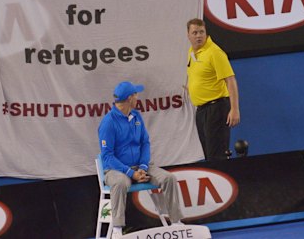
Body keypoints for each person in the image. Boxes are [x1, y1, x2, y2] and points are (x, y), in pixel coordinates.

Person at [99, 81, 186, 239]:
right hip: (116, 169)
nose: (138, 97)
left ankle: (176, 222)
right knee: (120, 183)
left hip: (141, 166)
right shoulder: (108, 123)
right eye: (136, 94)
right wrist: (131, 173)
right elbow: (107, 156)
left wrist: (143, 167)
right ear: (130, 98)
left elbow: (145, 142)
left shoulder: (136, 115)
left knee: (169, 178)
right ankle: (117, 229)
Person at [185, 18, 240, 161]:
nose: (198, 36)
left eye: (201, 32)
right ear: (188, 35)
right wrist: (192, 88)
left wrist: (234, 109)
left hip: (217, 108)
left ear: (206, 33)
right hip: (201, 111)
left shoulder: (214, 52)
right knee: (209, 156)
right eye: (195, 32)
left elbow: (231, 80)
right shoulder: (192, 51)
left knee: (218, 157)